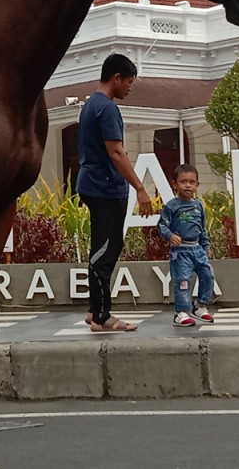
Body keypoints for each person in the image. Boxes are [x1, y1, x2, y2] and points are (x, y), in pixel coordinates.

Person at [76, 53, 154, 332]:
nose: (130, 88)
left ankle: (94, 310)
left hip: (93, 184)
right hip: (105, 187)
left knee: (102, 247)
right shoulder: (107, 108)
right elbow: (116, 152)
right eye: (129, 81)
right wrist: (140, 187)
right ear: (116, 78)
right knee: (106, 250)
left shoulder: (90, 104)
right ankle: (102, 316)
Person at [158, 164, 216, 327]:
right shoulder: (171, 206)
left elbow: (202, 228)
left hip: (197, 249)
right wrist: (170, 235)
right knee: (183, 281)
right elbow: (162, 225)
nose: (188, 185)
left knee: (207, 276)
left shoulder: (199, 206)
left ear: (197, 185)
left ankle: (200, 306)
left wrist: (205, 245)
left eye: (192, 182)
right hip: (180, 251)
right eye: (183, 181)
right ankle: (181, 312)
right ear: (174, 184)